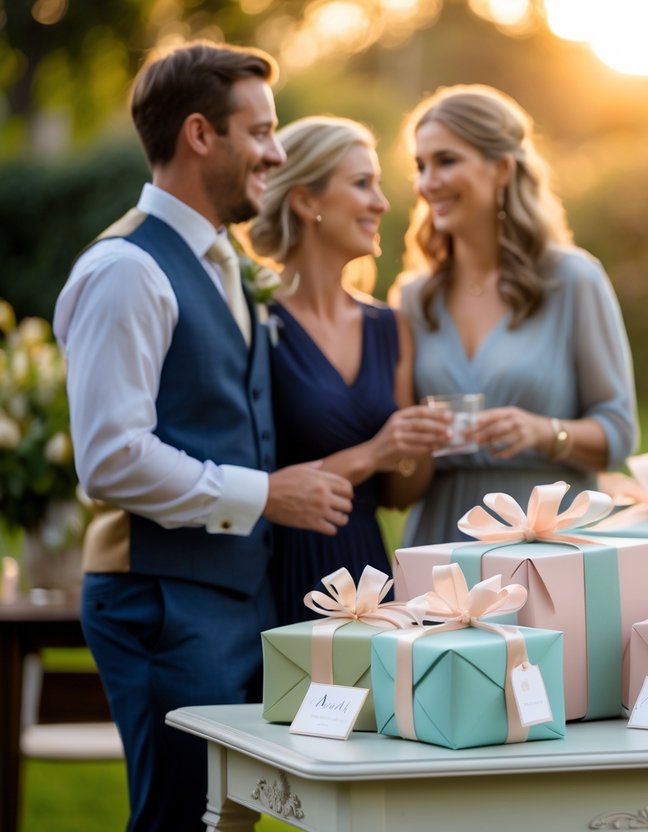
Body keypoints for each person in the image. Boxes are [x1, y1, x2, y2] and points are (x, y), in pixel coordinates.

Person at [53, 42, 355, 831]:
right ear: (198, 134)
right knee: (180, 819)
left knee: (227, 821)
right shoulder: (127, 271)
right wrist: (265, 495)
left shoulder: (223, 262)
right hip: (161, 599)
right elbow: (111, 459)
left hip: (232, 594)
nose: (275, 154)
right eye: (260, 132)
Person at [390, 84, 638, 545]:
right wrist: (410, 443)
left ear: (502, 168)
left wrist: (543, 432)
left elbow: (619, 434)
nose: (428, 183)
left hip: (545, 538)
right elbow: (400, 483)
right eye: (420, 166)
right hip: (441, 538)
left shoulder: (573, 279)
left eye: (446, 161)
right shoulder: (413, 297)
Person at [245, 116, 451, 624]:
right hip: (280, 569)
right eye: (362, 184)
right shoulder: (254, 322)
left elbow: (397, 496)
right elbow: (250, 485)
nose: (382, 203)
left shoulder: (389, 326)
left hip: (367, 572)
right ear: (305, 200)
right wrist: (374, 451)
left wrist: (421, 446)